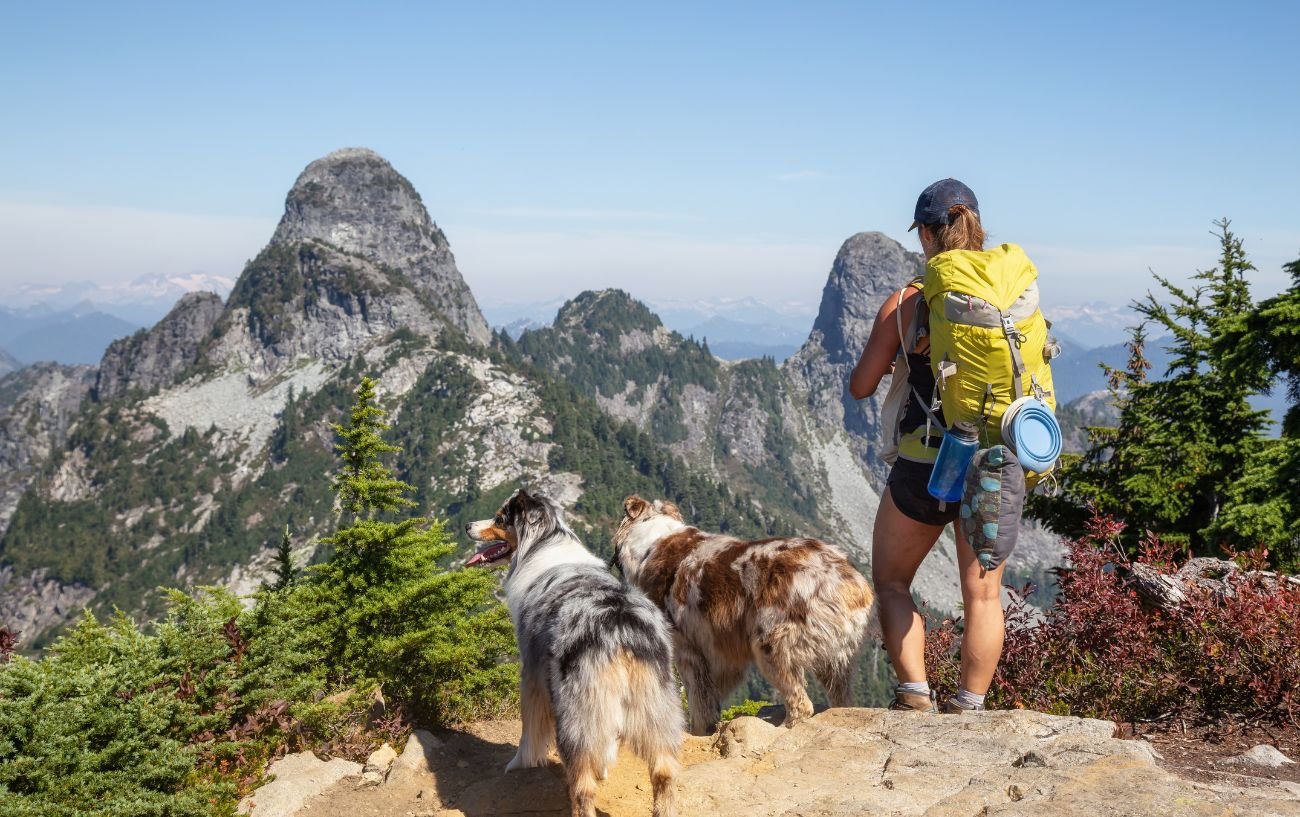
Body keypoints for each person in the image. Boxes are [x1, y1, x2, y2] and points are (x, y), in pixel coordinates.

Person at [849, 178, 1040, 714]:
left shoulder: (909, 300)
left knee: (890, 581)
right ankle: (970, 708)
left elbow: (861, 386)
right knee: (982, 595)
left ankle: (914, 696)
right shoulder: (1014, 296)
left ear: (928, 235)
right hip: (995, 461)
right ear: (976, 226)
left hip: (926, 463)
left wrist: (901, 357)